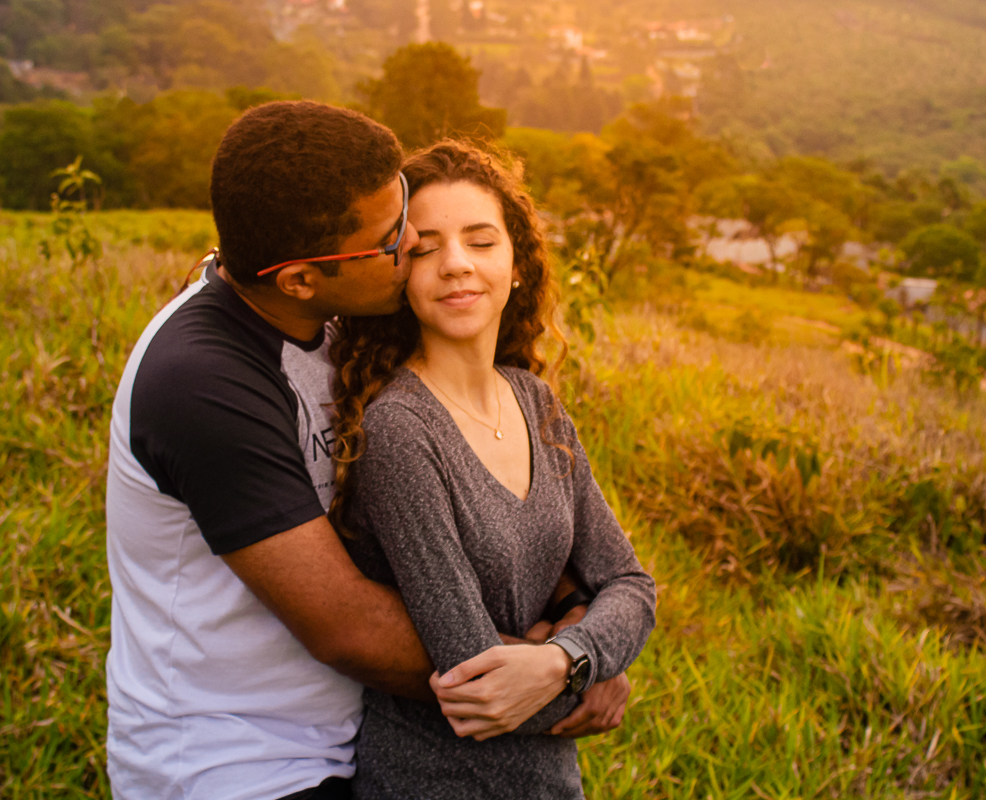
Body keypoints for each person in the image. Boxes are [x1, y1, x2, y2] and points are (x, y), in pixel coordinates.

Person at [104, 101, 627, 800]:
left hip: (356, 735)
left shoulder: (336, 322)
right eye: (391, 241)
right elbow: (348, 627)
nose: (413, 244)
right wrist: (561, 675)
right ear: (298, 277)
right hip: (237, 761)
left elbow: (526, 526)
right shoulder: (204, 383)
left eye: (402, 207)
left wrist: (584, 642)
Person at [328, 140, 657, 799]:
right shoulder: (400, 429)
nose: (455, 266)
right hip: (434, 781)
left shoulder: (536, 404)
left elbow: (631, 584)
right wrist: (592, 678)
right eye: (424, 248)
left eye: (481, 241)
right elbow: (474, 677)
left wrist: (568, 657)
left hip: (549, 784)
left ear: (517, 264)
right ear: (400, 275)